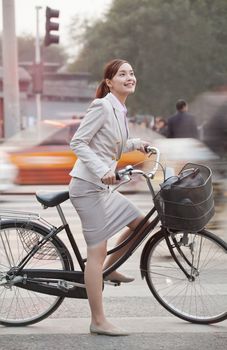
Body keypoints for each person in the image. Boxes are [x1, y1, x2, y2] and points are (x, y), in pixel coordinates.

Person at [69, 59, 150, 336]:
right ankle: (98, 320)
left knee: (140, 223)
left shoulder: (119, 107)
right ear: (109, 82)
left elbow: (113, 142)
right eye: (123, 74)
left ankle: (109, 269)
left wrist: (137, 144)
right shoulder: (103, 105)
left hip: (102, 188)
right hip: (87, 187)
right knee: (96, 252)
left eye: (132, 72)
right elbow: (78, 142)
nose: (130, 77)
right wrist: (103, 169)